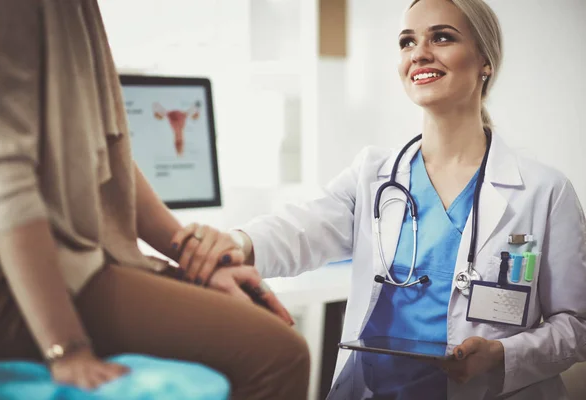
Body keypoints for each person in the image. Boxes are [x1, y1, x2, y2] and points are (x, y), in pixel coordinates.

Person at [192, 0, 586, 399]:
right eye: (406, 42)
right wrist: (238, 243)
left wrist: (502, 354)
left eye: (442, 37)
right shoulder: (373, 175)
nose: (419, 53)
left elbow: (576, 325)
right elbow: (303, 229)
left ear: (486, 60)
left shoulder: (544, 191)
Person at [0, 1, 309, 400]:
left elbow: (106, 153)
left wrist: (196, 257)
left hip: (83, 258)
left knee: (261, 319)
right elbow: (3, 181)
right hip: (17, 272)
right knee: (279, 355)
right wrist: (67, 349)